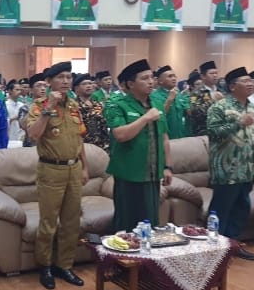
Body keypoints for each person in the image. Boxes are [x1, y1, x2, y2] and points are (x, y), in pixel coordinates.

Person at [26, 61, 88, 290]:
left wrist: (85, 167)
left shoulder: (73, 104)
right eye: (60, 77)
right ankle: (45, 266)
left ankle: (65, 265)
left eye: (69, 77)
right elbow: (33, 134)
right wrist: (49, 107)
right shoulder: (38, 105)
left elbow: (79, 138)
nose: (65, 81)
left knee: (72, 222)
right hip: (51, 170)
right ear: (49, 81)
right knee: (49, 222)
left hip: (74, 168)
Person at [105, 59, 173, 230]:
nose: (151, 82)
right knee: (128, 224)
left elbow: (164, 137)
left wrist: (167, 166)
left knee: (150, 220)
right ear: (130, 84)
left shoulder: (156, 104)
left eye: (151, 77)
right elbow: (121, 135)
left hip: (152, 173)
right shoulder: (116, 104)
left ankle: (147, 248)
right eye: (144, 78)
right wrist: (145, 118)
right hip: (129, 174)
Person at [207, 67, 254, 260]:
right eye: (245, 81)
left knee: (241, 208)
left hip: (247, 168)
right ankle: (214, 249)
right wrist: (238, 123)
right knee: (221, 209)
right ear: (232, 86)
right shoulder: (219, 107)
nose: (250, 84)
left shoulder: (252, 107)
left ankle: (233, 245)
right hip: (226, 168)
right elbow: (213, 132)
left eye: (251, 81)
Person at [151, 65, 188, 139]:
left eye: (174, 76)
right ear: (160, 81)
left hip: (181, 136)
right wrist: (169, 99)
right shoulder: (154, 96)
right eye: (170, 76)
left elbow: (186, 113)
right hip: (165, 138)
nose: (174, 78)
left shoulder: (179, 95)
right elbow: (158, 116)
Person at [74, 73, 109, 152]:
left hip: (101, 146)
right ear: (76, 88)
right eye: (84, 84)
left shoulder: (97, 104)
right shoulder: (73, 105)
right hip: (82, 147)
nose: (88, 86)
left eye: (90, 83)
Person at [189, 61, 223, 136]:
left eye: (216, 73)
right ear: (203, 76)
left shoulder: (221, 90)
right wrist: (211, 101)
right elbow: (193, 112)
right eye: (211, 73)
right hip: (203, 131)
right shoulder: (195, 92)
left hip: (220, 131)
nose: (215, 75)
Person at [19, 73, 47, 147]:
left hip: (47, 146)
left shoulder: (51, 106)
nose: (43, 88)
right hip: (30, 145)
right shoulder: (25, 107)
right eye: (39, 86)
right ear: (31, 90)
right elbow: (23, 126)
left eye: (45, 86)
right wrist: (35, 105)